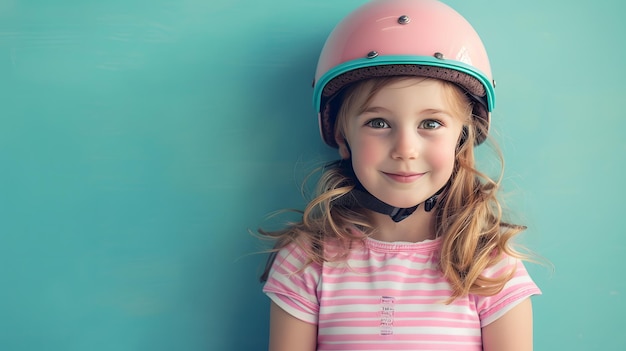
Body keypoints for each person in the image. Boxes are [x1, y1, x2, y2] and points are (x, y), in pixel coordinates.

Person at [259, 0, 541, 350]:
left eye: (431, 123)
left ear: (462, 138)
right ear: (343, 137)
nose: (405, 149)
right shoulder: (306, 261)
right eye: (378, 123)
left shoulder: (490, 266)